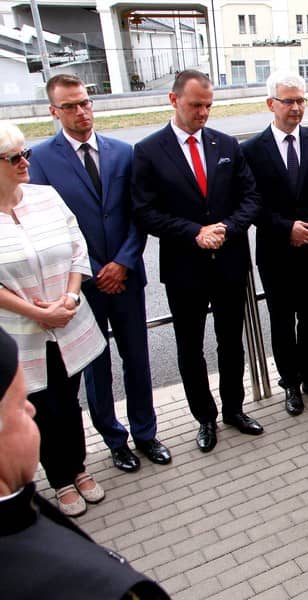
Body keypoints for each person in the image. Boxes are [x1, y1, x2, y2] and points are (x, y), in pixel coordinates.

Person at [28, 74, 170, 474]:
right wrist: (92, 270)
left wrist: (122, 262)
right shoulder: (40, 159)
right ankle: (114, 440)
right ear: (54, 111)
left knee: (137, 359)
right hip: (81, 285)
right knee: (96, 367)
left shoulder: (122, 152)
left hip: (127, 277)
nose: (81, 112)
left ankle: (146, 433)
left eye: (85, 103)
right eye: (70, 106)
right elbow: (48, 227)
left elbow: (138, 214)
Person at [132, 71, 263, 452]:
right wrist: (194, 232)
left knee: (231, 342)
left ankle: (234, 409)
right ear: (173, 100)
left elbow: (251, 198)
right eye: (195, 105)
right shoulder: (148, 151)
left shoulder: (226, 144)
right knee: (190, 347)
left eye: (208, 105)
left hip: (229, 262)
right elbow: (144, 211)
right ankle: (204, 418)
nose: (203, 112)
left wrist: (227, 228)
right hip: (184, 269)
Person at [0, 326, 170, 599]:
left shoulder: (21, 509)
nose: (31, 410)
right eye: (20, 404)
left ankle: (75, 469)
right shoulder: (92, 586)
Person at [0, 121, 107, 517]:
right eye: (14, 158)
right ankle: (60, 478)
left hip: (68, 319)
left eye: (25, 153)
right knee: (40, 406)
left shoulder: (45, 196)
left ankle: (79, 467)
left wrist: (70, 297)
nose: (25, 162)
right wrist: (38, 312)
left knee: (68, 399)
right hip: (23, 332)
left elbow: (77, 246)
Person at [242, 72, 308, 416]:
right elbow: (251, 202)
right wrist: (287, 229)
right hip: (275, 252)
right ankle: (291, 384)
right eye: (289, 101)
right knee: (282, 322)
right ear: (271, 104)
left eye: (301, 100)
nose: (296, 107)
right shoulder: (251, 150)